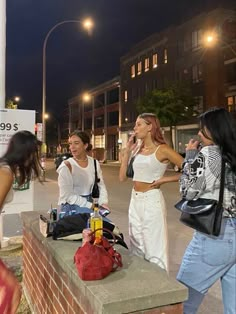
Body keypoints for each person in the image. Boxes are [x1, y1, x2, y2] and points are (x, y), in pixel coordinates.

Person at [176, 108, 236, 314]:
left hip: (216, 236)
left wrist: (190, 156)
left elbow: (188, 190)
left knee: (182, 301)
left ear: (214, 130)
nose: (199, 134)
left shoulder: (210, 153)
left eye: (203, 129)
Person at [119, 113, 183, 271]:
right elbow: (122, 178)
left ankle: (160, 288)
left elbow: (192, 170)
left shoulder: (163, 150)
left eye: (139, 124)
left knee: (155, 248)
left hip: (151, 200)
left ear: (150, 127)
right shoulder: (137, 150)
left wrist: (164, 180)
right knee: (136, 245)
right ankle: (141, 285)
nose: (135, 128)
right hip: (135, 201)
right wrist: (127, 152)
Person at [0, 130, 42, 313]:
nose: (35, 158)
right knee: (10, 291)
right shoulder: (5, 172)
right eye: (34, 152)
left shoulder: (4, 168)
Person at [57, 130, 109, 216]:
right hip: (71, 206)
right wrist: (90, 205)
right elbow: (67, 196)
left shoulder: (94, 163)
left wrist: (103, 202)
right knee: (93, 225)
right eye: (70, 144)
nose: (72, 147)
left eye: (76, 143)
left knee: (109, 227)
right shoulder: (66, 166)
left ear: (85, 145)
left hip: (90, 203)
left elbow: (101, 185)